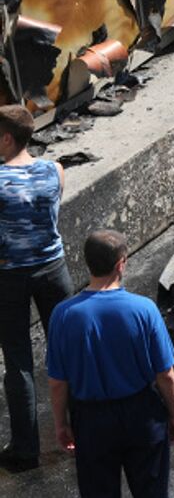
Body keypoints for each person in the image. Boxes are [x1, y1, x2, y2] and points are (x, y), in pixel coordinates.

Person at [47, 229, 174, 498]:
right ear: (121, 263)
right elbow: (165, 374)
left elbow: (57, 382)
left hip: (92, 419)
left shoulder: (64, 315)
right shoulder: (144, 309)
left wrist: (61, 424)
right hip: (142, 415)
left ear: (87, 262)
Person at [0, 104, 74, 471]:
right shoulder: (54, 170)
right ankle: (84, 431)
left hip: (10, 275)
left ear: (8, 137)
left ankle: (25, 449)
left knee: (19, 363)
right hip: (53, 269)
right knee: (68, 352)